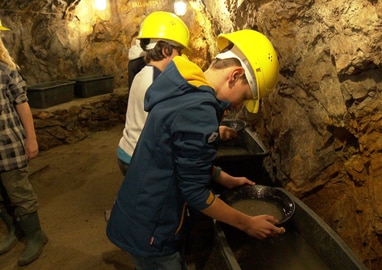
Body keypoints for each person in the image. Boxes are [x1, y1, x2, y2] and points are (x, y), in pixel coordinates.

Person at [107, 29, 282, 270]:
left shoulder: (184, 86)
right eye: (244, 96)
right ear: (235, 75)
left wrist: (224, 177)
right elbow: (195, 193)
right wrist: (246, 223)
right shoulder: (199, 111)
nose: (238, 105)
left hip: (139, 211)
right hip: (153, 226)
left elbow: (177, 156)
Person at [117, 11, 190, 176]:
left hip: (126, 150)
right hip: (138, 158)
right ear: (166, 50)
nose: (182, 57)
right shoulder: (157, 83)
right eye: (179, 51)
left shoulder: (142, 74)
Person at [0, 20, 47, 266]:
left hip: (7, 147)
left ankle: (35, 235)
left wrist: (32, 139)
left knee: (19, 193)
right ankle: (13, 231)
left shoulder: (5, 71)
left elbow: (22, 103)